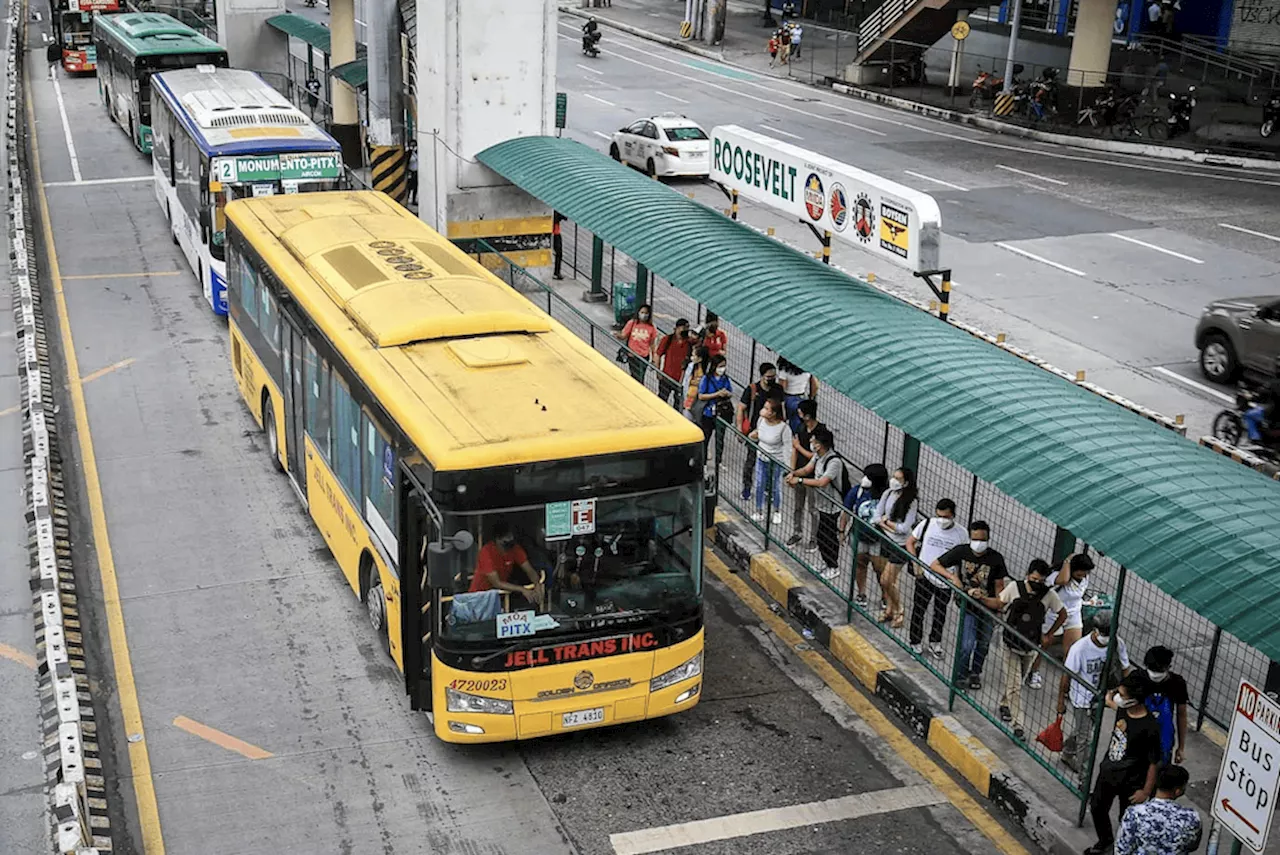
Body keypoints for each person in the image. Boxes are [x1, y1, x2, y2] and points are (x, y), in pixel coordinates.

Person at [1086, 673, 1163, 855]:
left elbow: (1153, 762)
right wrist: (1112, 692)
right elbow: (1110, 700)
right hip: (1109, 773)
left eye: (1123, 695)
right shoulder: (1122, 709)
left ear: (1135, 700)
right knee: (1097, 807)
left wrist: (1145, 791)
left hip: (1132, 781)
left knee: (1126, 819)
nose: (1120, 697)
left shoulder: (1150, 727)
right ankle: (1105, 842)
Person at [930, 521, 1009, 690]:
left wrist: (997, 607)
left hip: (988, 607)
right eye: (975, 539)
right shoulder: (962, 551)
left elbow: (999, 587)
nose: (978, 543)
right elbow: (935, 565)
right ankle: (960, 674)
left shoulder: (996, 559)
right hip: (968, 606)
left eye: (982, 539)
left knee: (983, 643)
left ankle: (975, 672)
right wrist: (954, 578)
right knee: (966, 644)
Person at [997, 560, 1066, 740]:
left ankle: (1005, 703)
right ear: (1027, 575)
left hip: (1031, 646)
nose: (1037, 584)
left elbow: (1063, 613)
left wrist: (1048, 635)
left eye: (1041, 581)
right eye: (1034, 579)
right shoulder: (1014, 587)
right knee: (1015, 685)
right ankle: (1018, 724)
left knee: (1017, 680)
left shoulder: (1048, 595)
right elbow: (999, 602)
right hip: (1010, 644)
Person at [1058, 610, 1133, 771]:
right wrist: (1060, 700)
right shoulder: (1079, 649)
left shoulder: (1117, 643)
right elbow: (1067, 676)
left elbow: (1125, 668)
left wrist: (1125, 692)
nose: (1106, 637)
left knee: (1083, 730)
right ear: (1095, 630)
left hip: (1102, 696)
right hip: (1082, 699)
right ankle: (1083, 776)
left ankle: (1067, 752)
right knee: (1086, 739)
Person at [907, 498, 967, 658]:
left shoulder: (961, 534)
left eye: (946, 517)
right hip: (924, 575)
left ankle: (935, 642)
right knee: (918, 610)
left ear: (953, 515)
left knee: (940, 613)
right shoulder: (927, 524)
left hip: (946, 581)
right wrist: (916, 563)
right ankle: (915, 641)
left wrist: (957, 579)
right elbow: (910, 542)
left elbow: (963, 558)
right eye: (939, 515)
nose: (942, 520)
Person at [1028, 552, 1095, 690]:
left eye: (1085, 573)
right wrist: (1068, 560)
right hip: (1054, 615)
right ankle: (1032, 671)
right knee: (1043, 645)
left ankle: (1068, 685)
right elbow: (1063, 580)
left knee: (1072, 651)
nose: (1082, 576)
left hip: (1073, 615)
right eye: (1079, 573)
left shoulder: (1084, 578)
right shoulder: (1056, 576)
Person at [785, 427, 844, 580]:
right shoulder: (818, 456)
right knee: (821, 535)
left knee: (828, 536)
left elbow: (822, 482)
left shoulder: (834, 461)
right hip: (821, 502)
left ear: (820, 444)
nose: (811, 443)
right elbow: (806, 469)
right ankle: (827, 563)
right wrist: (793, 473)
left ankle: (833, 566)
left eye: (813, 441)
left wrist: (798, 480)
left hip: (832, 505)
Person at [1114, 764, 1202, 855]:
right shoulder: (1192, 817)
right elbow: (1192, 846)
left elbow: (1122, 849)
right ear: (1177, 791)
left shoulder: (1134, 814)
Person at [870, 467, 919, 627]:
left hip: (901, 545)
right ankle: (890, 609)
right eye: (894, 477)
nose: (894, 481)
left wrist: (886, 523)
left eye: (898, 479)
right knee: (888, 580)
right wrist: (888, 525)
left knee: (886, 580)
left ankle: (899, 610)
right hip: (887, 540)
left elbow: (904, 529)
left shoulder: (911, 502)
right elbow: (877, 516)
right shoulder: (888, 493)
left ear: (906, 482)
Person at [842, 463, 889, 608]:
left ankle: (885, 597)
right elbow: (846, 512)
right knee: (860, 565)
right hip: (859, 536)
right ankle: (861, 594)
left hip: (879, 540)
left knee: (880, 569)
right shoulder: (858, 492)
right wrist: (841, 531)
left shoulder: (888, 497)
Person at [736, 363, 780, 503]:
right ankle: (747, 488)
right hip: (754, 432)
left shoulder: (777, 389)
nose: (772, 379)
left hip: (772, 432)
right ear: (762, 376)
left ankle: (767, 490)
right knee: (751, 461)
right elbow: (741, 408)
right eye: (769, 376)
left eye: (774, 376)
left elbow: (782, 410)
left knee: (769, 463)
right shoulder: (752, 389)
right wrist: (739, 428)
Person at [469, 524, 544, 605]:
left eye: (511, 537)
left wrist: (537, 585)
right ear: (498, 539)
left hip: (500, 596)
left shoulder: (515, 549)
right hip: (479, 597)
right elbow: (496, 583)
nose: (510, 540)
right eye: (507, 537)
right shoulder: (486, 552)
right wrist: (522, 589)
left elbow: (529, 570)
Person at [1142, 645, 1189, 765]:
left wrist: (1181, 747)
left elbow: (1182, 714)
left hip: (1164, 739)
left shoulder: (1177, 683)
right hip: (1140, 737)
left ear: (1168, 667)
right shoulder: (1138, 678)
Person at [786, 400, 823, 550]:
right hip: (800, 472)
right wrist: (792, 471)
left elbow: (815, 456)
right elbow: (794, 451)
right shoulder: (801, 428)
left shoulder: (821, 433)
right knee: (798, 506)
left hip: (814, 476)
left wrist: (798, 447)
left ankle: (814, 538)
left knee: (813, 509)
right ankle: (797, 532)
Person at [749, 398, 791, 525]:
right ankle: (759, 510)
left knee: (775, 486)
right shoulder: (761, 421)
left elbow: (788, 447)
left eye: (767, 409)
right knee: (760, 483)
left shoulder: (784, 428)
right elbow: (757, 433)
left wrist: (787, 467)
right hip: (761, 457)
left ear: (773, 413)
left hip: (776, 461)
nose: (763, 410)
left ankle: (777, 511)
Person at [696, 354, 733, 460]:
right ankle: (703, 462)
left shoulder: (725, 379)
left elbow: (731, 392)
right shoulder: (706, 379)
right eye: (720, 366)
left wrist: (727, 393)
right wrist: (717, 394)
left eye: (724, 366)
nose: (722, 369)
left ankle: (718, 461)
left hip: (721, 413)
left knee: (720, 439)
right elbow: (701, 395)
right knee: (706, 438)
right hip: (708, 413)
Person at [655, 318, 693, 409]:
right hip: (666, 377)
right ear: (676, 329)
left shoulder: (690, 343)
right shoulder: (668, 339)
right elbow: (658, 355)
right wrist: (658, 371)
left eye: (687, 328)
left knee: (678, 404)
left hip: (681, 380)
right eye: (683, 328)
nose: (685, 330)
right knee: (662, 400)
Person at [616, 303, 657, 383]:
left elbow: (652, 343)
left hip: (643, 356)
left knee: (640, 377)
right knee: (635, 376)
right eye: (642, 312)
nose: (644, 315)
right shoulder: (632, 323)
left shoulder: (651, 327)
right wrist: (617, 335)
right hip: (632, 355)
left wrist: (654, 358)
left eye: (646, 313)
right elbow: (624, 335)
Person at [776, 357, 817, 434]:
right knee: (799, 422)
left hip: (789, 397)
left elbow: (781, 388)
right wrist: (811, 397)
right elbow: (815, 385)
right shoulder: (807, 370)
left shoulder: (785, 370)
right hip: (802, 397)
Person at [682, 345, 712, 420]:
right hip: (689, 398)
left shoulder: (706, 372)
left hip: (699, 402)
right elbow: (686, 381)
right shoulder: (691, 366)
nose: (692, 357)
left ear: (700, 359)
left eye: (694, 355)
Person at [551, 212, 564, 280]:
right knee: (559, 253)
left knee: (558, 253)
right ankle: (557, 272)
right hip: (555, 232)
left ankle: (557, 272)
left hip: (555, 231)